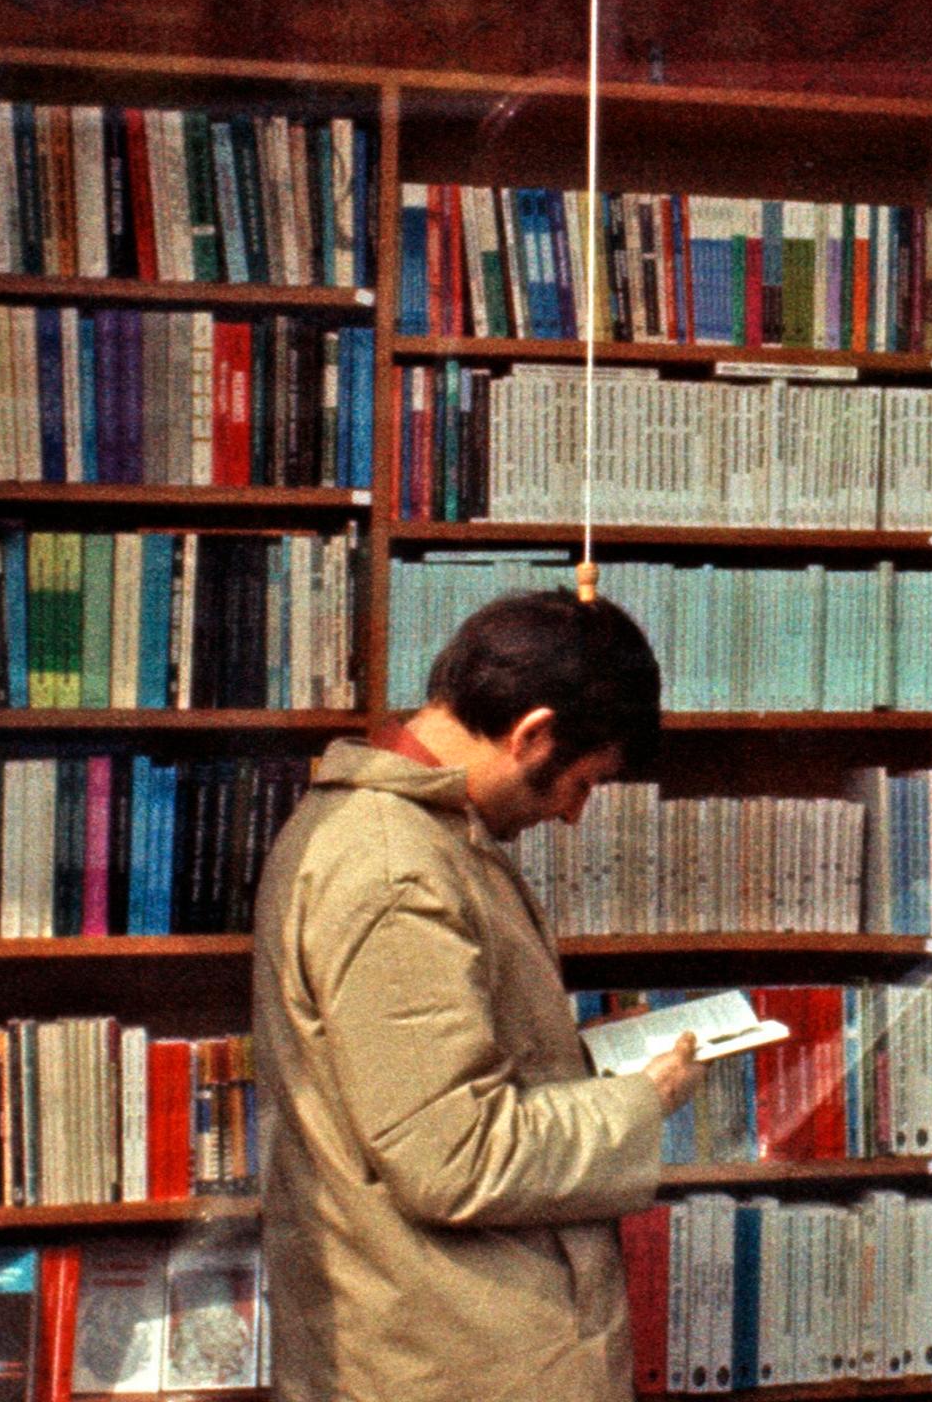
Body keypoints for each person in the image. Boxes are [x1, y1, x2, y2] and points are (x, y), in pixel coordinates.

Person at [254, 590, 705, 1401]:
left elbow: (418, 1087)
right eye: (583, 781)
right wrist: (643, 1099)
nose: (573, 816)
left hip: (443, 1339)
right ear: (531, 733)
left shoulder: (412, 833)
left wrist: (583, 1056)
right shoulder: (396, 866)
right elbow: (454, 1159)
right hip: (452, 1359)